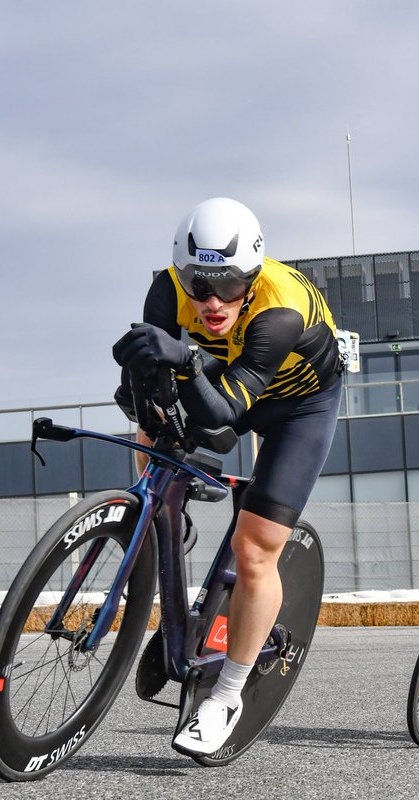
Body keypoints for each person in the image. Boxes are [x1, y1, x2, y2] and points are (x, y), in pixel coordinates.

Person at [111, 197, 344, 755]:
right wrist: (144, 388)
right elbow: (147, 388)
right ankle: (168, 521)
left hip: (298, 403)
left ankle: (227, 697)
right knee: (152, 426)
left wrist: (185, 364)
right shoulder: (167, 289)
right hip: (229, 373)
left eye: (230, 287)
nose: (213, 303)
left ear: (253, 277)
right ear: (181, 273)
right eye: (200, 285)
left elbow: (224, 414)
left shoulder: (279, 310)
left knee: (255, 547)